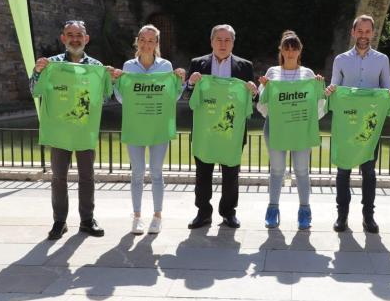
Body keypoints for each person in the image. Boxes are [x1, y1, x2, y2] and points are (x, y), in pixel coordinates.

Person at [30, 20, 117, 240]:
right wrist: (37, 72)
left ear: (86, 39)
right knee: (58, 178)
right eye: (70, 35)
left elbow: (105, 98)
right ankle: (59, 221)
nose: (75, 39)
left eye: (79, 35)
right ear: (63, 38)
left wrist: (109, 79)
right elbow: (35, 91)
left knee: (87, 177)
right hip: (60, 130)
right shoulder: (51, 65)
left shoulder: (96, 66)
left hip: (84, 129)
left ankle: (87, 220)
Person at [326, 14, 390, 233]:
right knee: (343, 171)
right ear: (353, 32)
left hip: (369, 124)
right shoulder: (340, 60)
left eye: (367, 31)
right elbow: (334, 89)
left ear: (373, 33)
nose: (363, 35)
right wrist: (330, 90)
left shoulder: (382, 59)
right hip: (346, 123)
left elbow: (386, 88)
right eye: (360, 31)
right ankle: (342, 216)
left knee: (369, 172)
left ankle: (369, 217)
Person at [112, 25, 186, 235]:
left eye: (151, 40)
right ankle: (137, 217)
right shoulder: (128, 66)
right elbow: (122, 98)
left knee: (156, 172)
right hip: (135, 126)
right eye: (142, 40)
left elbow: (173, 97)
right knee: (137, 173)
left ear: (157, 43)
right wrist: (117, 82)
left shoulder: (166, 66)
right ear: (137, 41)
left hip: (158, 127)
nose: (146, 44)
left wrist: (179, 81)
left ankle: (157, 216)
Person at [184, 24, 257, 229]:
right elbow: (189, 98)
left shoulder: (245, 67)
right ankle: (203, 213)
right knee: (203, 174)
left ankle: (228, 213)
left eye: (227, 40)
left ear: (233, 43)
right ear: (211, 42)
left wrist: (254, 91)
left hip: (232, 132)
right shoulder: (197, 64)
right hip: (205, 131)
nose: (223, 44)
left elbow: (251, 100)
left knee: (231, 175)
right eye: (219, 39)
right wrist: (191, 84)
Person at [257, 31, 326, 230]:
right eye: (286, 48)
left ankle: (304, 211)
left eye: (294, 48)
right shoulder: (272, 73)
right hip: (276, 128)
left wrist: (319, 86)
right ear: (281, 50)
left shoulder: (308, 74)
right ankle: (272, 209)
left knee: (302, 171)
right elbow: (263, 104)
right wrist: (264, 88)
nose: (290, 52)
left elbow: (318, 103)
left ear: (299, 50)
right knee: (277, 170)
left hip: (301, 129)